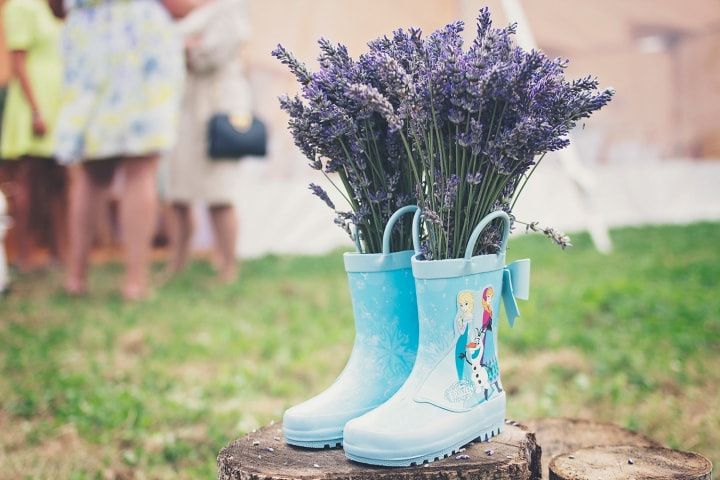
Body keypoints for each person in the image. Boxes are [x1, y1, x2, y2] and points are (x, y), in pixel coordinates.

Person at [54, 0, 198, 299]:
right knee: (140, 168)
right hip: (138, 38)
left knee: (92, 172)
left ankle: (76, 277)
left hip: (88, 39)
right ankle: (135, 282)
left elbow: (55, 6)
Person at [165, 0, 251, 282]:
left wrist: (186, 47)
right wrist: (185, 45)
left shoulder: (230, 8)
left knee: (219, 192)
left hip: (217, 110)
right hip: (184, 109)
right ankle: (177, 262)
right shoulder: (195, 12)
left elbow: (213, 53)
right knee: (178, 191)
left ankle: (228, 265)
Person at [0, 0, 65, 272]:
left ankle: (58, 252)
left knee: (57, 179)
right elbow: (18, 62)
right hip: (33, 100)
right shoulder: (19, 6)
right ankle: (23, 254)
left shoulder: (54, 7)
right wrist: (36, 110)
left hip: (57, 99)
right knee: (27, 178)